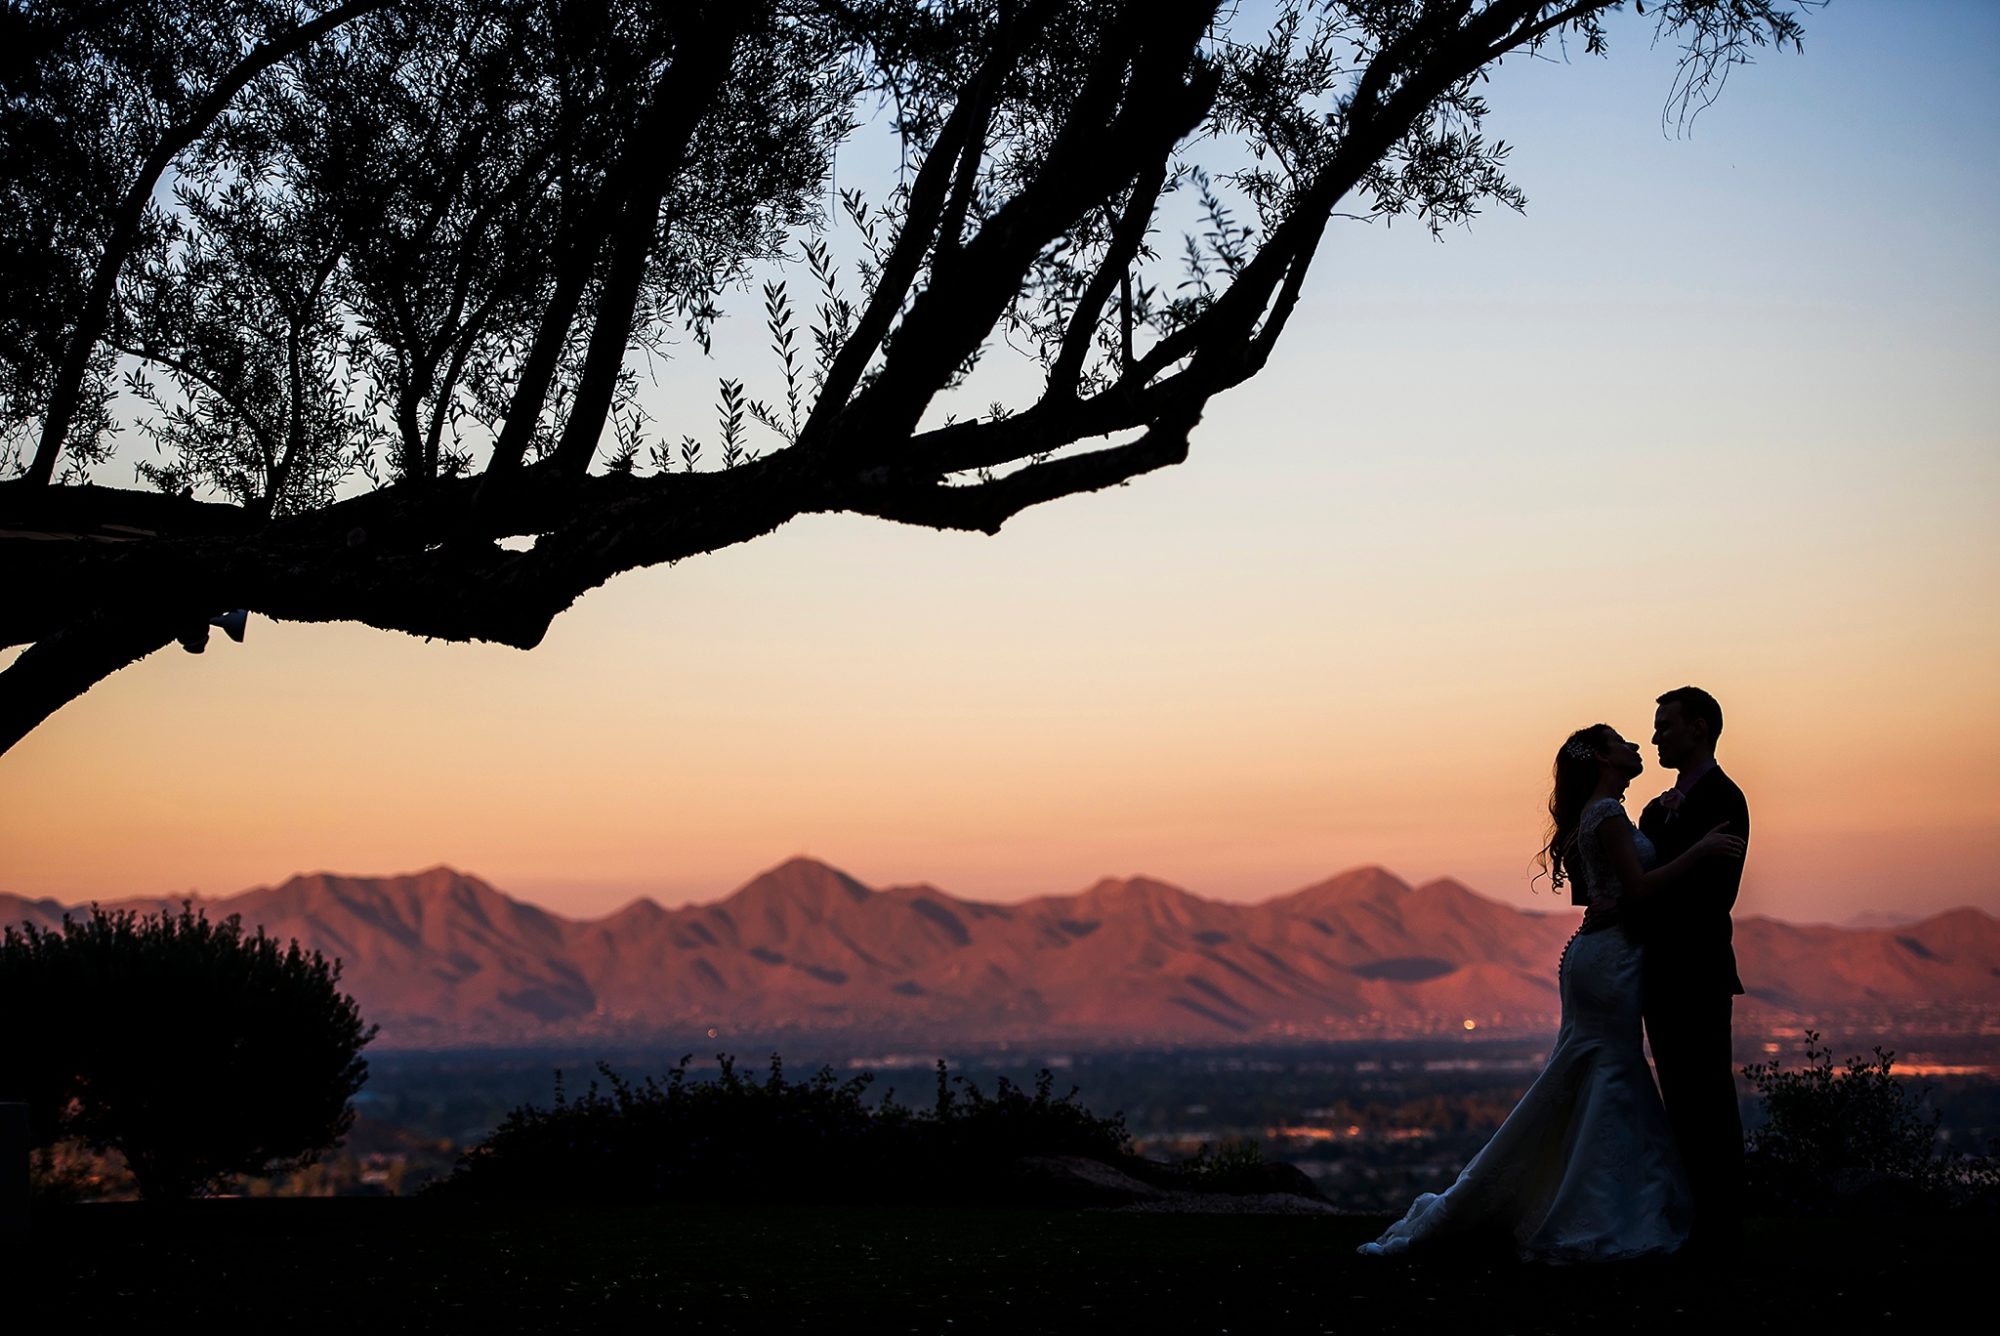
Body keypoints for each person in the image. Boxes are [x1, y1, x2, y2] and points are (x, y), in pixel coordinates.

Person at [1357, 722, 1745, 1263]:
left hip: (1601, 954)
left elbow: (1604, 891)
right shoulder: (1607, 814)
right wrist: (1700, 850)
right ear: (1605, 760)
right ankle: (1601, 1206)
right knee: (1611, 1069)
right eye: (1625, 743)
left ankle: (1583, 1194)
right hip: (1611, 958)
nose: (1638, 747)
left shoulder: (1603, 812)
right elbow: (1636, 889)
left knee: (1597, 1070)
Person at [1631, 685, 1751, 1252]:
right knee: (1679, 1097)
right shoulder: (1656, 808)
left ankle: (1722, 1222)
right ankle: (1693, 1218)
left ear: (1699, 728)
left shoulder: (1727, 800)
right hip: (1658, 972)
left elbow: (1713, 894)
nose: (1655, 736)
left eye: (1666, 725)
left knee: (1709, 1097)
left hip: (1698, 970)